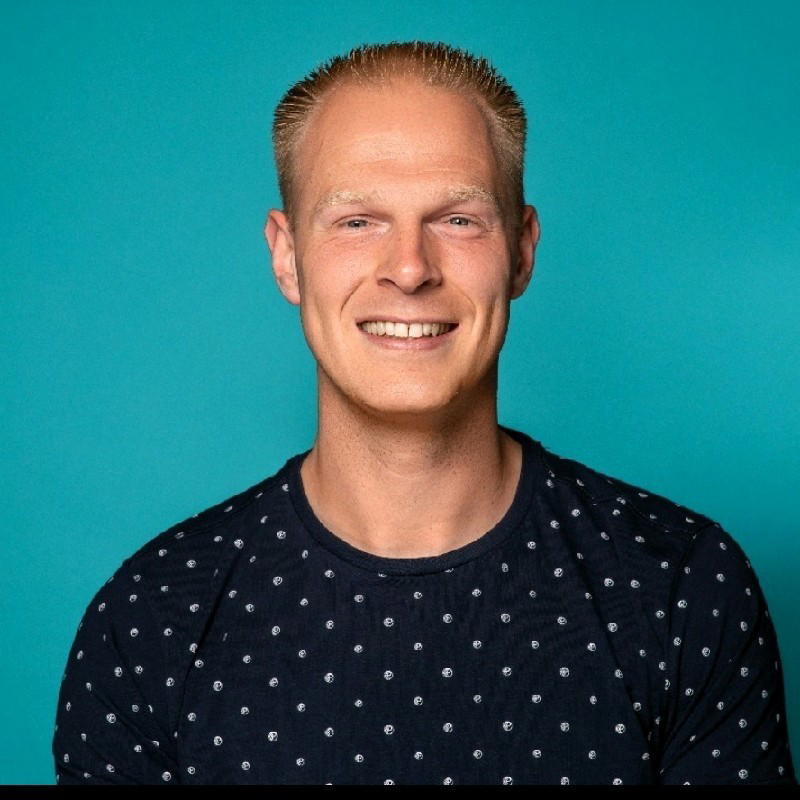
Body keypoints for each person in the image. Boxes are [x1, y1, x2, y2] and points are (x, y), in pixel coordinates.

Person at [52, 40, 796, 786]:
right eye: (357, 221)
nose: (409, 268)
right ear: (286, 257)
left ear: (522, 251)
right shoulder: (153, 615)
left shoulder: (680, 587)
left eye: (458, 219)